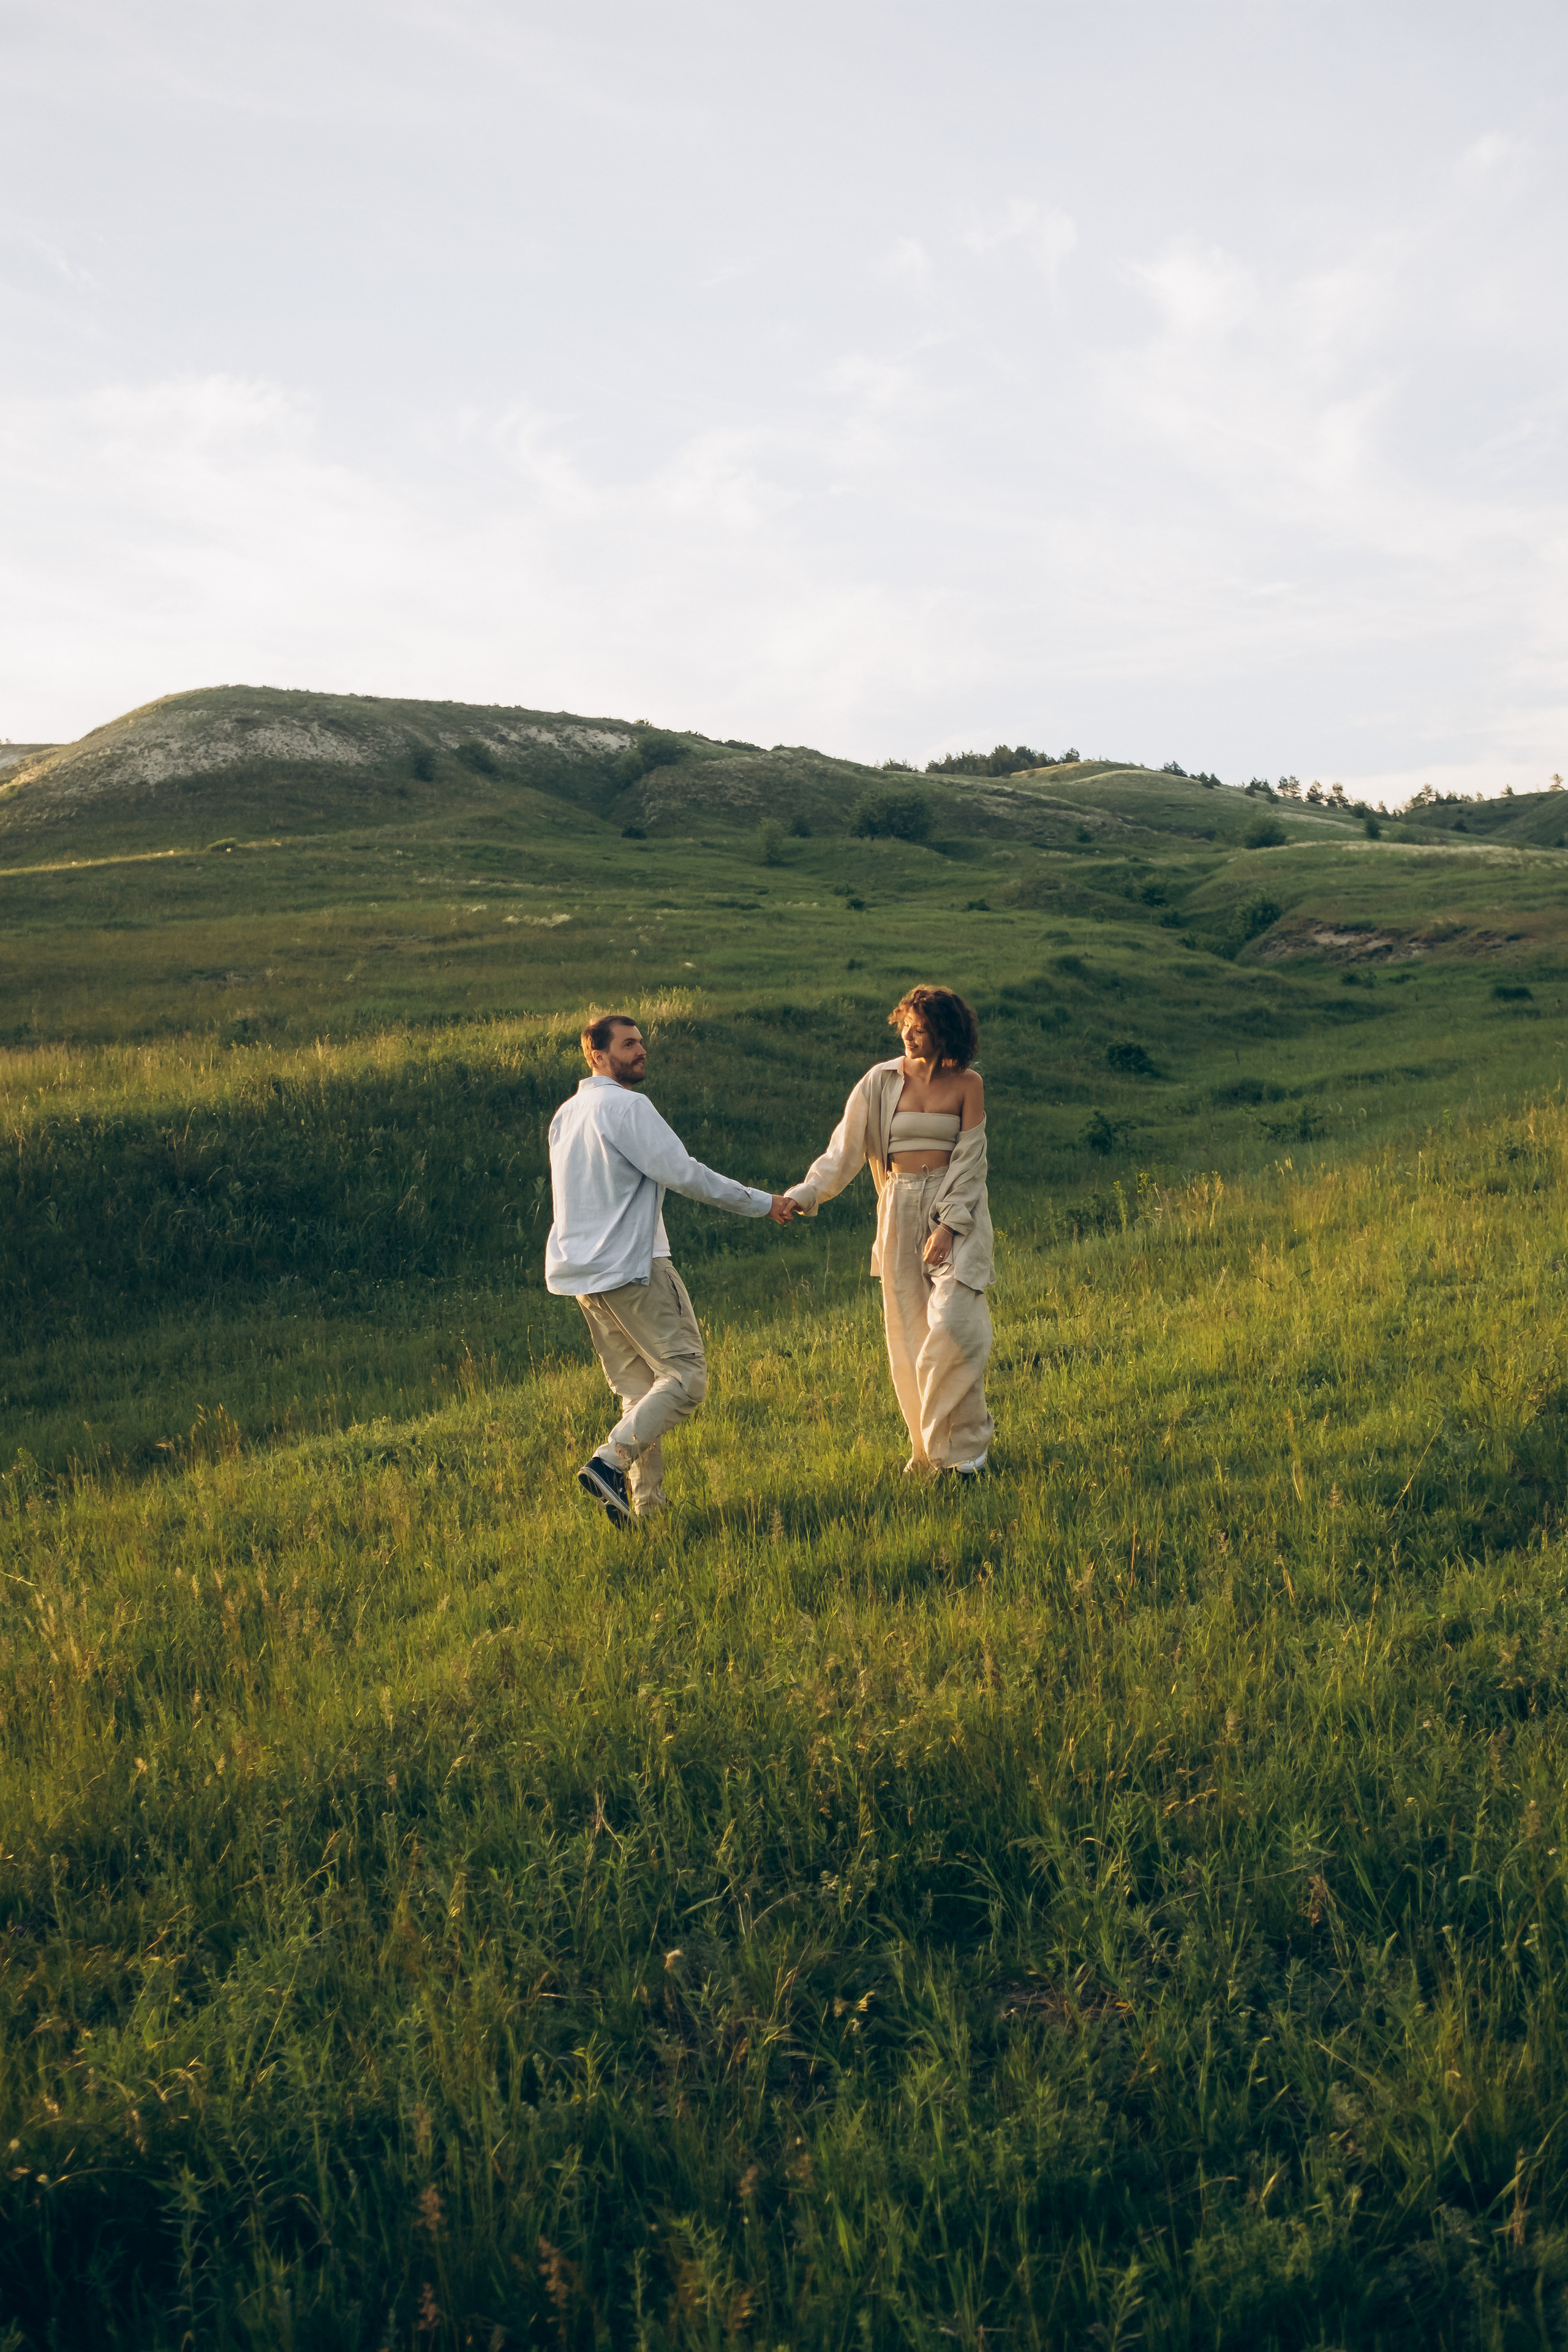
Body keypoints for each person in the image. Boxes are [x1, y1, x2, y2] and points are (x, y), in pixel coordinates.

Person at [546, 1012, 795, 1523]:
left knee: (640, 1392)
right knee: (686, 1378)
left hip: (586, 1277)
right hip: (637, 1269)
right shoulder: (626, 1108)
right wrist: (762, 1203)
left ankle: (646, 1507)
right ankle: (608, 1464)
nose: (641, 1051)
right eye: (628, 1044)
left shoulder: (566, 1115)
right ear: (596, 1054)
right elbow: (685, 1174)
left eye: (641, 1043)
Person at [787, 986, 993, 1476]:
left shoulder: (968, 1084)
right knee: (911, 1336)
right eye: (906, 1023)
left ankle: (970, 1439)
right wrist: (807, 1193)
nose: (909, 1034)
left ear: (945, 1033)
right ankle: (934, 1451)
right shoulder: (880, 1081)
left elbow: (971, 1161)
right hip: (898, 1205)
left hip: (955, 1206)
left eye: (920, 1028)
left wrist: (948, 1226)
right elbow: (845, 1149)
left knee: (956, 1326)